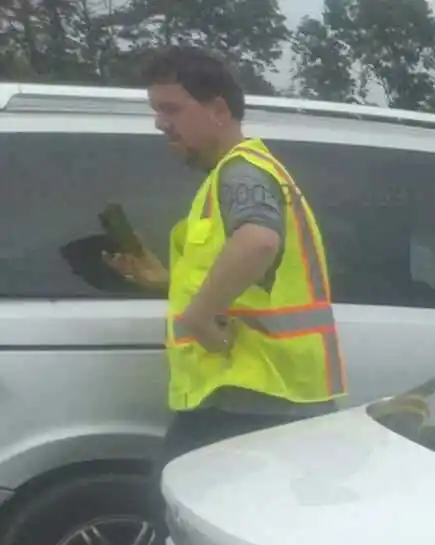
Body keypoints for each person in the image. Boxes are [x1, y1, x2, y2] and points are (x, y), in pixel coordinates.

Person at [103, 46, 346, 468]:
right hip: (250, 399)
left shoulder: (243, 171)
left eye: (171, 109)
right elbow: (250, 278)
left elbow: (257, 241)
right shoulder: (229, 176)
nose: (161, 123)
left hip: (252, 402)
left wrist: (199, 316)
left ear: (218, 109)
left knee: (190, 515)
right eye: (156, 111)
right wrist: (166, 281)